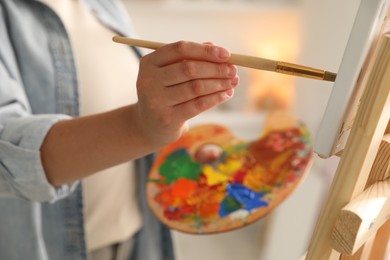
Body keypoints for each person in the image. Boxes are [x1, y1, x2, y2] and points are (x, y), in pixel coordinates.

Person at [0, 0, 239, 259]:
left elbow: (132, 118)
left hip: (138, 241)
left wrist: (179, 157)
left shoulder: (105, 5)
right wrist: (142, 127)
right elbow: (6, 151)